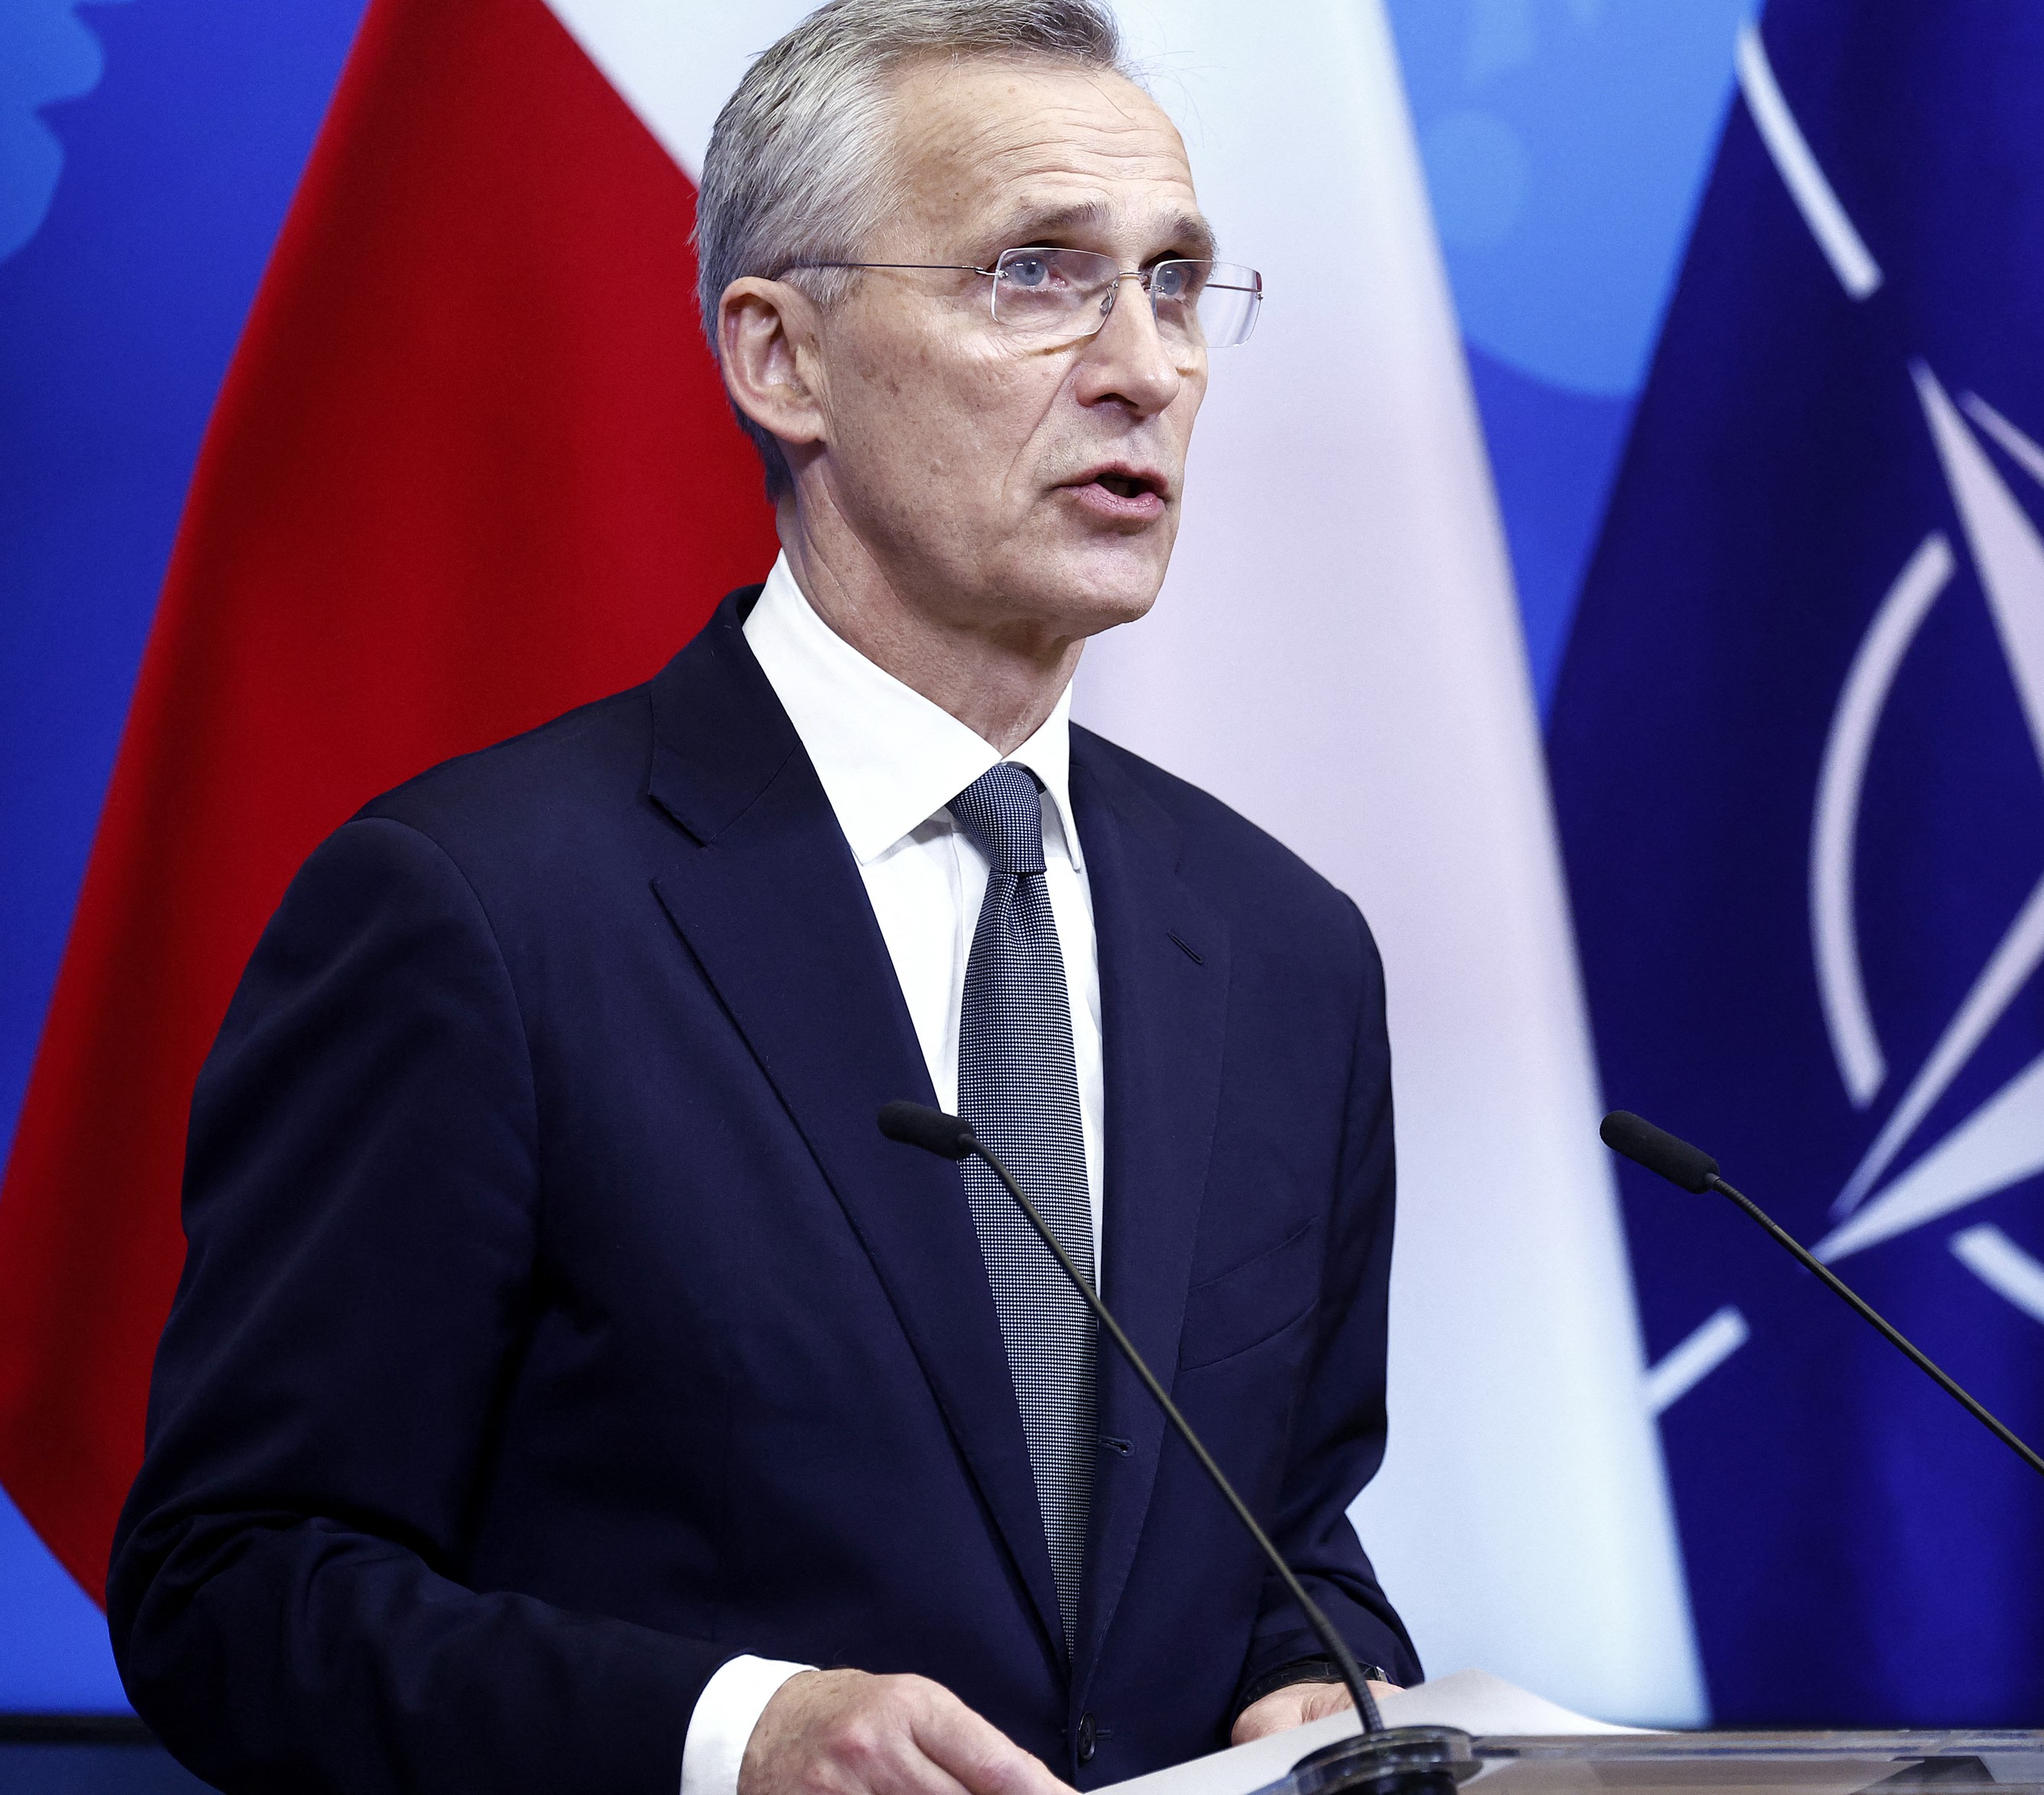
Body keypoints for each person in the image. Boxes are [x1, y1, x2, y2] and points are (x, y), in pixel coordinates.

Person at [104, 4, 1420, 1791]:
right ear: (780, 356)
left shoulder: (1283, 952)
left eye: (1174, 284)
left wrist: (1313, 1676)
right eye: (1037, 274)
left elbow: (1286, 1535)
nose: (1143, 367)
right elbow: (235, 1588)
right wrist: (732, 1734)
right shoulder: (476, 915)